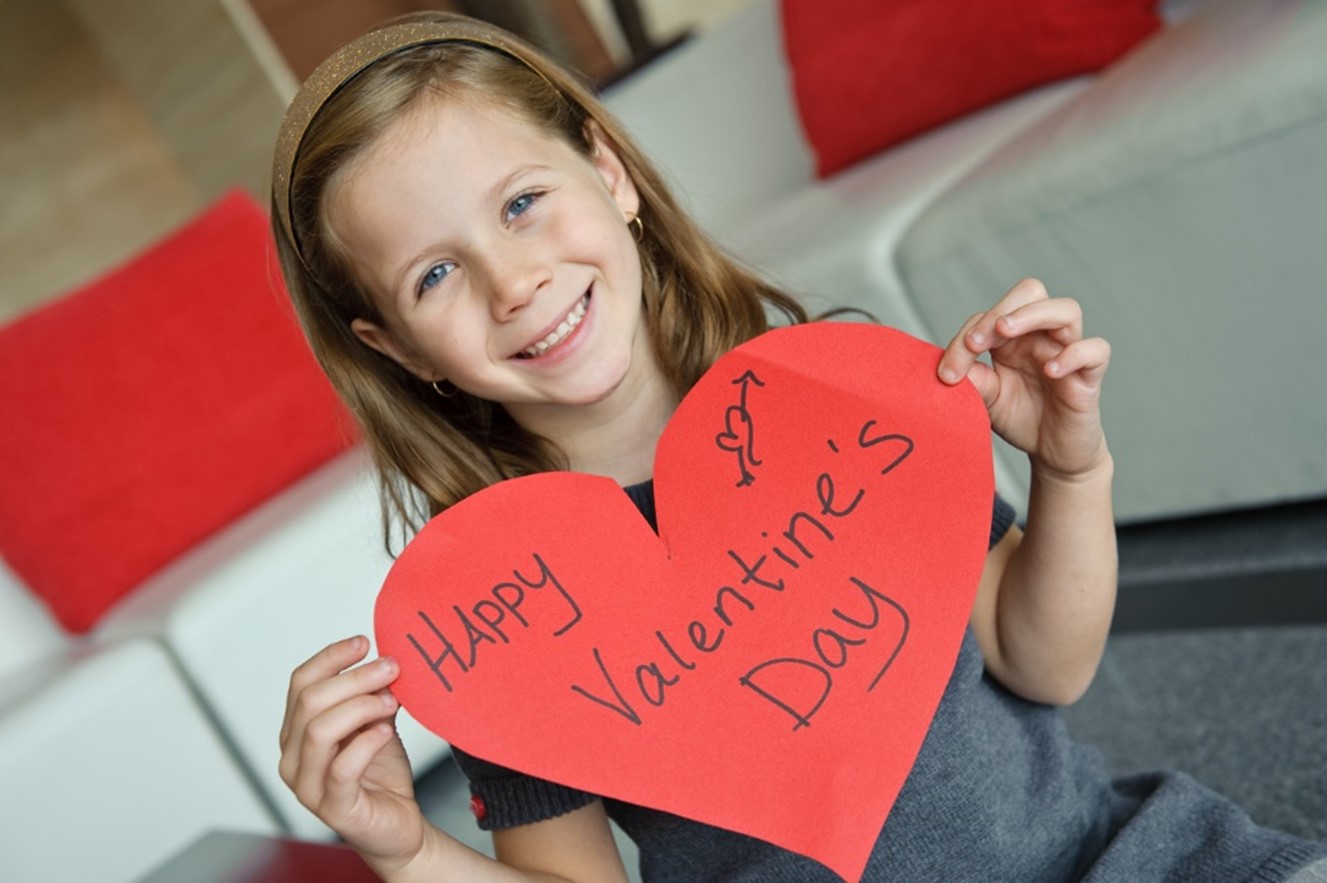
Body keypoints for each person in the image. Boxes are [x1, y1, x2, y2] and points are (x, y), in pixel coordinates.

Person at [272, 12, 1326, 883]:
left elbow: (1039, 659)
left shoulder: (837, 398)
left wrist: (1069, 471)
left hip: (1104, 861)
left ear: (609, 175)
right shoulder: (498, 610)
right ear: (398, 350)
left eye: (522, 203)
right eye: (433, 276)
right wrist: (409, 852)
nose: (514, 281)